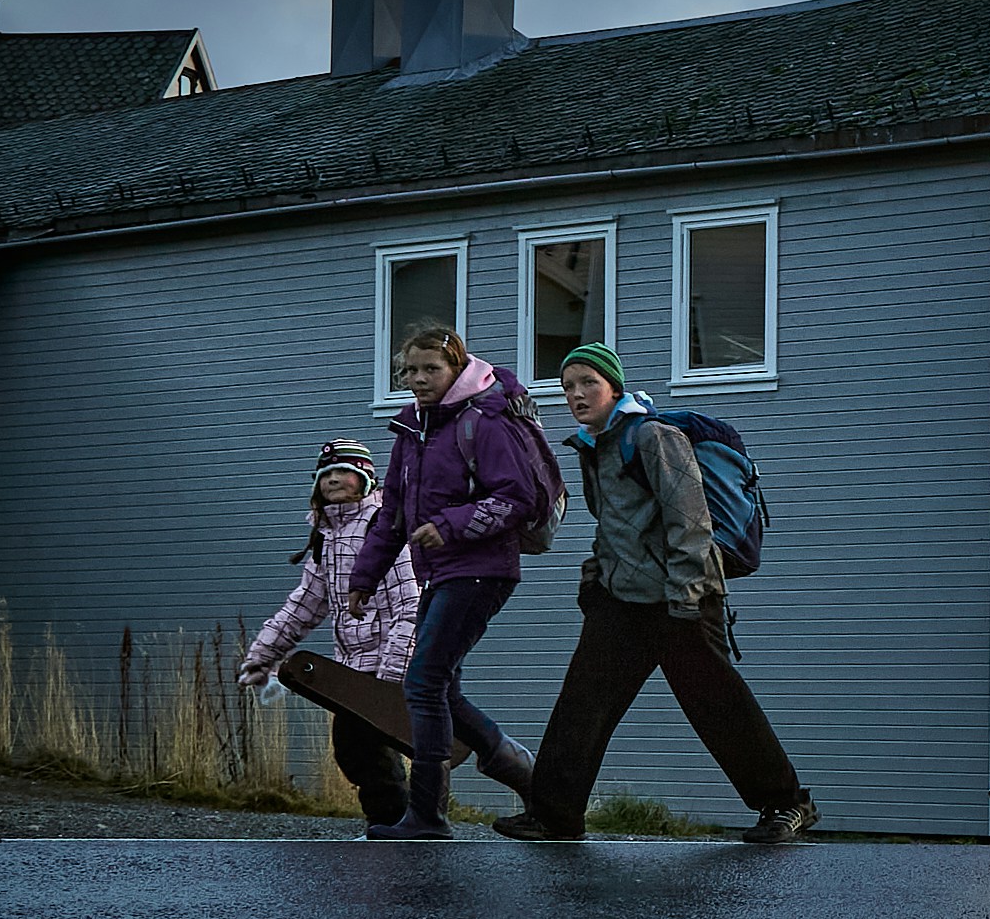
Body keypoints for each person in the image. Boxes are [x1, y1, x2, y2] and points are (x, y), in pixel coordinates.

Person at [495, 341, 817, 845]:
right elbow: (614, 524)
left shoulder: (652, 436)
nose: (576, 395)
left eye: (588, 384)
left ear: (614, 387)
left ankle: (788, 805)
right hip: (621, 600)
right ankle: (554, 814)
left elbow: (690, 520)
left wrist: (687, 594)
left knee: (716, 703)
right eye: (567, 387)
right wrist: (595, 575)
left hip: (680, 597)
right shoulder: (593, 446)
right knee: (584, 702)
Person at [346, 324, 552, 840]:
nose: (418, 379)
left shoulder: (484, 422)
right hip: (441, 572)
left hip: (482, 571)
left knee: (423, 681)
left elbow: (518, 497)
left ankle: (428, 815)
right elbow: (392, 512)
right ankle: (536, 783)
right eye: (409, 371)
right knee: (445, 692)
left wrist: (451, 524)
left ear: (456, 368)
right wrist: (364, 576)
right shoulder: (412, 430)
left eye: (429, 369)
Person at [238, 438, 424, 829]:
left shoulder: (382, 526)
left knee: (367, 750)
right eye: (326, 474)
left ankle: (396, 829)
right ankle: (394, 826)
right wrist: (263, 657)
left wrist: (393, 678)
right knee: (352, 751)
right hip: (352, 667)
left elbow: (410, 604)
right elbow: (305, 604)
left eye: (344, 472)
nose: (333, 480)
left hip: (386, 664)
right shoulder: (328, 536)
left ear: (366, 479)